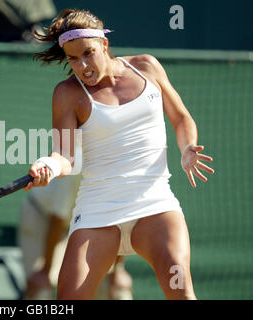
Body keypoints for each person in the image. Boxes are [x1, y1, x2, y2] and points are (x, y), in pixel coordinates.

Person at [24, 9, 215, 300]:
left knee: (181, 287)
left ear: (104, 45)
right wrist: (48, 163)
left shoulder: (147, 67)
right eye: (73, 58)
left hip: (154, 205)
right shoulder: (67, 93)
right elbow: (65, 156)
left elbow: (180, 117)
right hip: (97, 213)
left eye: (88, 53)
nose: (83, 66)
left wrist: (188, 147)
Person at [18, 169, 133, 300]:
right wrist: (45, 270)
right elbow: (57, 219)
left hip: (82, 225)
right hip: (43, 218)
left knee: (116, 288)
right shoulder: (77, 169)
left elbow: (121, 221)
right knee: (41, 286)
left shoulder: (121, 169)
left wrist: (117, 269)